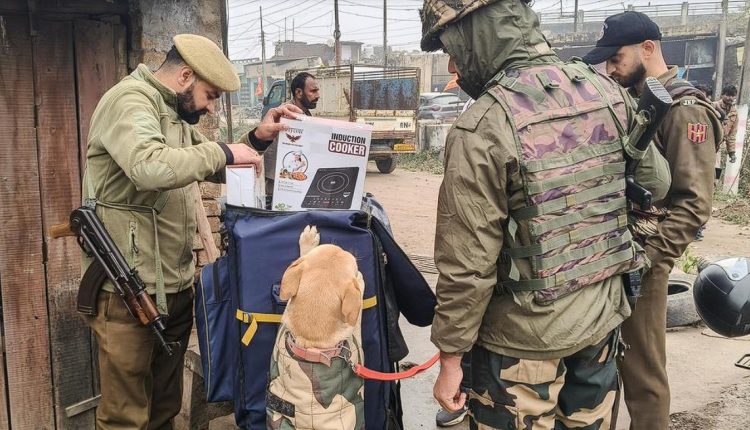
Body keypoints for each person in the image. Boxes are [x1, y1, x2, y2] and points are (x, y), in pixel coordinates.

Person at [421, 1, 670, 428]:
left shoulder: (483, 125)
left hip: (521, 345)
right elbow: (657, 183)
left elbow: (467, 264)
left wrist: (450, 359)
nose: (452, 65)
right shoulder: (607, 91)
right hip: (599, 324)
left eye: (451, 48)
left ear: (473, 34)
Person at [82, 34, 301, 429]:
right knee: (125, 416)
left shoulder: (172, 113)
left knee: (164, 406)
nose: (211, 106)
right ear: (185, 76)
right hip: (128, 290)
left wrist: (257, 138)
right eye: (210, 95)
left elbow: (210, 161)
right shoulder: (130, 101)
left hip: (172, 286)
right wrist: (224, 152)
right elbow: (150, 167)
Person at [583, 11, 722, 429]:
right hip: (613, 255)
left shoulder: (684, 110)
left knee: (643, 376)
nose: (611, 68)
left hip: (644, 261)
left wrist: (652, 261)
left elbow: (694, 203)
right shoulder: (635, 102)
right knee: (601, 370)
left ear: (648, 48)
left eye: (617, 58)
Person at [263, 72, 319, 194]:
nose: (318, 95)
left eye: (317, 91)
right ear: (299, 93)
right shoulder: (287, 114)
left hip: (292, 175)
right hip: (280, 180)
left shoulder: (303, 112)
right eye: (313, 91)